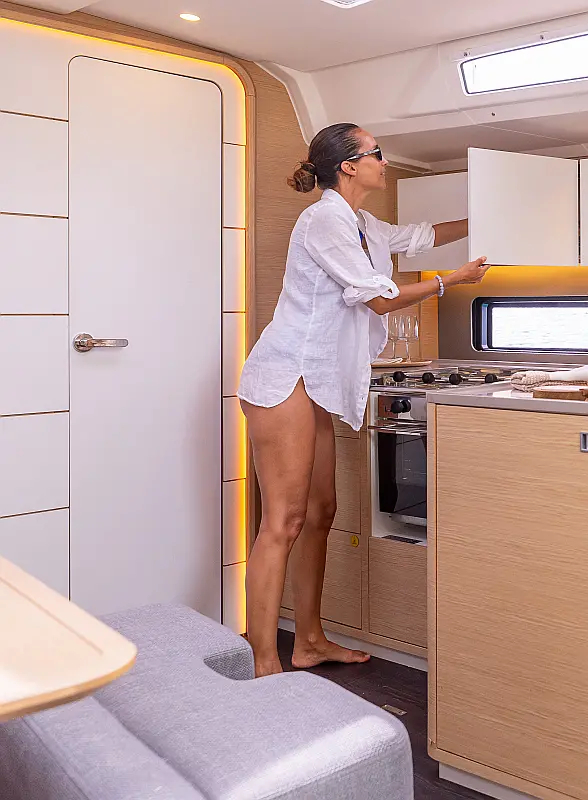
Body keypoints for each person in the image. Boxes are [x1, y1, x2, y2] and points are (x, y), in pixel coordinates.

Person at [237, 122, 489, 677]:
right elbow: (378, 300)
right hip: (284, 376)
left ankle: (309, 642)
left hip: (314, 381)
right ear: (348, 166)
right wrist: (450, 282)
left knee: (320, 512)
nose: (384, 160)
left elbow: (420, 236)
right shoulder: (323, 220)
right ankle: (262, 660)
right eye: (376, 153)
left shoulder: (363, 223)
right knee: (284, 520)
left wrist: (493, 215)